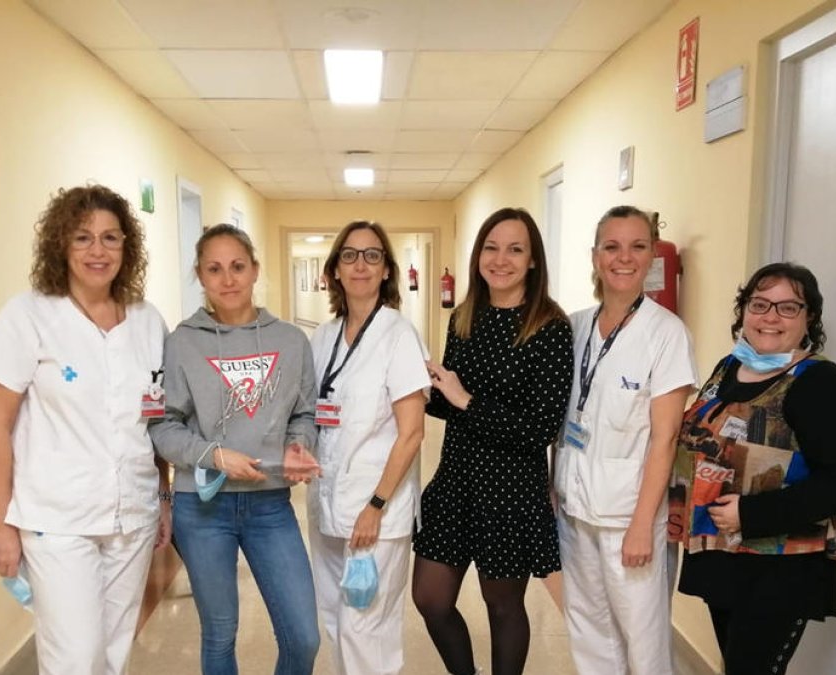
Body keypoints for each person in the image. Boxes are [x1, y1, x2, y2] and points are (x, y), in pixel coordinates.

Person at [0, 185, 171, 675]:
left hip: (133, 514)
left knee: (115, 649)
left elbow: (158, 420)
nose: (97, 251)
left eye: (110, 238)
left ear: (128, 247)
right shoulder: (29, 315)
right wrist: (1, 524)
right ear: (60, 245)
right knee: (75, 658)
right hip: (56, 518)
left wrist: (164, 498)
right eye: (82, 238)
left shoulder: (147, 321)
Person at [669, 262, 836, 675]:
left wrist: (750, 514)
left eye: (788, 307)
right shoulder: (728, 368)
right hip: (720, 557)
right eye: (760, 304)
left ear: (809, 317)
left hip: (779, 569)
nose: (770, 317)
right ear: (743, 311)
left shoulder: (820, 384)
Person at [148, 223, 322, 675]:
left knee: (303, 636)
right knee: (220, 633)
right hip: (202, 508)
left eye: (237, 267)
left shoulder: (289, 341)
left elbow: (304, 414)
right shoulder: (183, 342)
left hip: (270, 505)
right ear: (200, 277)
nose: (228, 279)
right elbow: (163, 427)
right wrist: (214, 455)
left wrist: (299, 445)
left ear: (255, 271)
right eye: (214, 269)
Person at [412, 207, 573, 675]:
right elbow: (449, 403)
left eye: (515, 249)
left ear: (533, 261)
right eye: (491, 247)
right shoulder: (465, 316)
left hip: (510, 490)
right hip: (455, 481)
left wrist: (464, 401)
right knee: (430, 599)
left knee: (502, 607)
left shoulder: (548, 327)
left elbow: (539, 430)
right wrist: (421, 390)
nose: (500, 259)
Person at [552, 205, 697, 674]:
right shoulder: (574, 328)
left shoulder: (666, 334)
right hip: (575, 510)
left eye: (637, 246)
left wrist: (641, 524)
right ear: (595, 256)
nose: (623, 258)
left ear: (653, 255)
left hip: (630, 517)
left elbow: (666, 436)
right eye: (612, 247)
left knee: (644, 639)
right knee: (590, 631)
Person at [307, 221, 429, 675]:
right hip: (327, 509)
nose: (361, 264)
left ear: (386, 271)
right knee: (337, 621)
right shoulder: (323, 337)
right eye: (350, 255)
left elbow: (412, 433)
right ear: (335, 269)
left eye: (372, 255)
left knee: (366, 628)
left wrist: (375, 505)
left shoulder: (399, 335)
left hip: (376, 514)